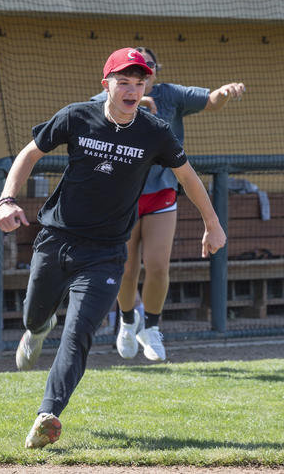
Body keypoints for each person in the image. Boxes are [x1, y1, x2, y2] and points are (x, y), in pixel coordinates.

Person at [0, 47, 226, 448]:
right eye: (124, 82)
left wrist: (213, 224)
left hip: (105, 252)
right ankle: (37, 327)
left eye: (140, 83)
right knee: (36, 315)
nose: (132, 90)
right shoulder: (76, 116)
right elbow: (28, 154)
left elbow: (188, 177)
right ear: (106, 85)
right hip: (56, 239)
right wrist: (7, 200)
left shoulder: (154, 131)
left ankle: (47, 414)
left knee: (79, 333)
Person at [92, 46, 245, 361]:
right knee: (126, 266)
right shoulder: (113, 95)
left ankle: (151, 326)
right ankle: (127, 319)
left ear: (153, 73)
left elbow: (212, 101)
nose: (139, 76)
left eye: (146, 69)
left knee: (159, 264)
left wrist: (225, 93)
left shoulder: (170, 95)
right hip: (123, 193)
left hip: (161, 190)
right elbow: (89, 109)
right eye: (130, 74)